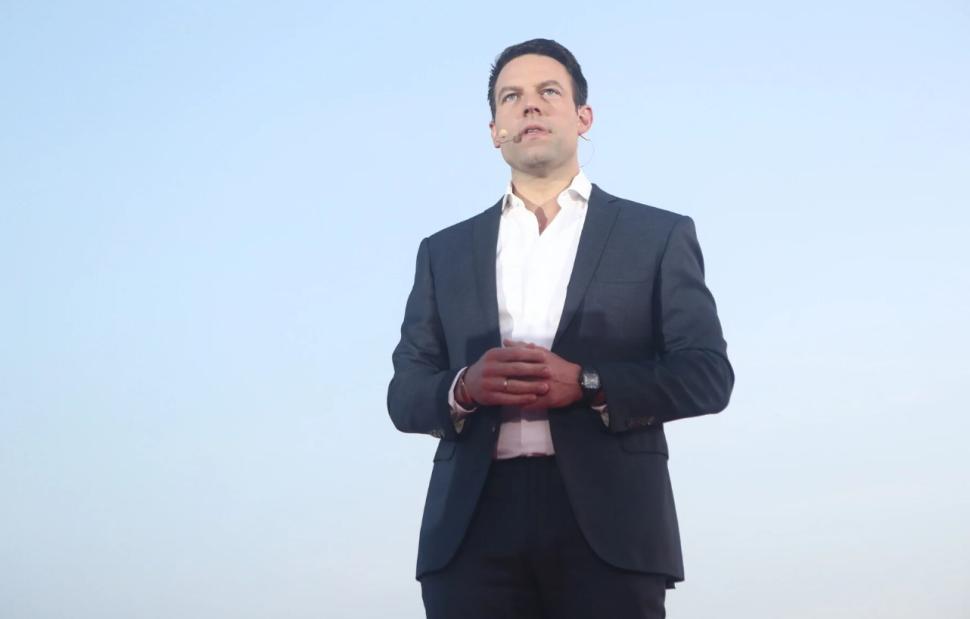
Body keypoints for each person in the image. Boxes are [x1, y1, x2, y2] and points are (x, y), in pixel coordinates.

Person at [388, 38, 733, 619]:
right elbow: (405, 392)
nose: (530, 105)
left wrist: (589, 383)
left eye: (549, 92)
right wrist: (463, 387)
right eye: (511, 97)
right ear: (494, 130)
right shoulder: (442, 252)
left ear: (583, 117)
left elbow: (706, 375)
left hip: (611, 527)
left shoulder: (657, 235)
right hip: (470, 529)